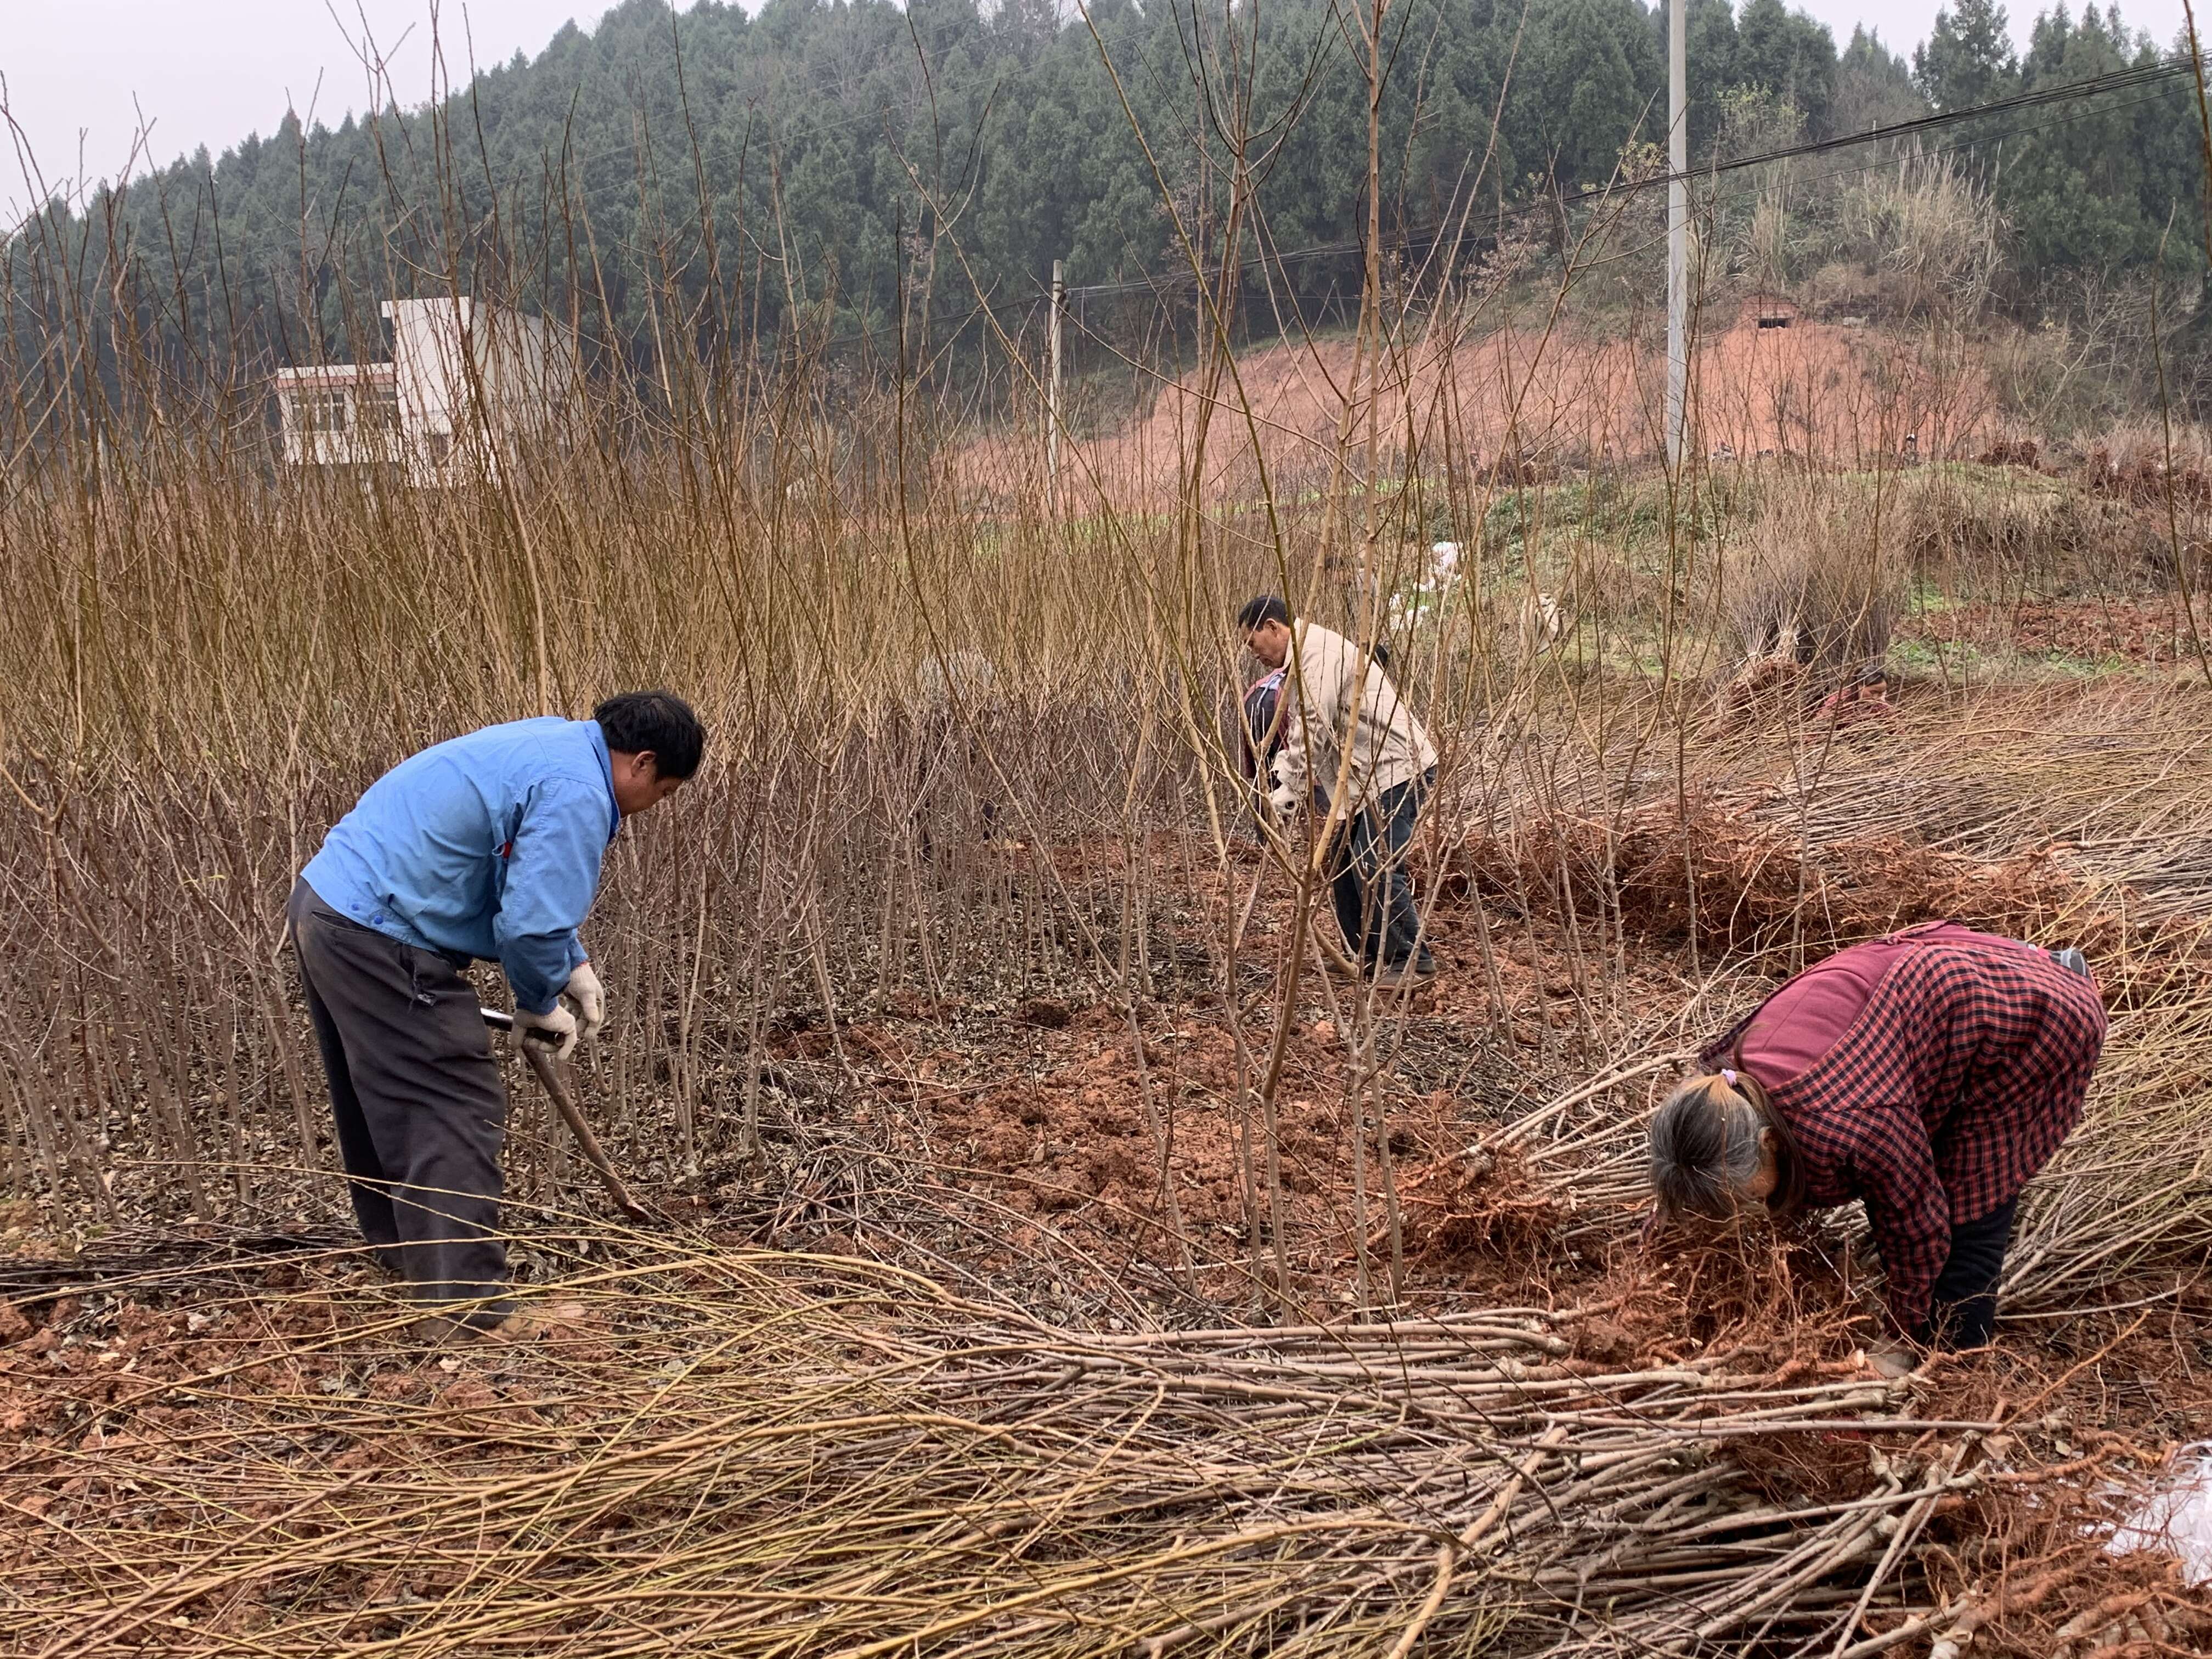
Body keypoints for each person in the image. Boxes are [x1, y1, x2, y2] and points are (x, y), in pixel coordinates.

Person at [287, 691, 706, 1336]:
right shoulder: (579, 793)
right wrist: (539, 1003)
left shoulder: (556, 743)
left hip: (330, 902)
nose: (655, 808)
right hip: (379, 929)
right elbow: (532, 924)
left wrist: (573, 962)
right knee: (450, 1100)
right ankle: (467, 1313)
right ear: (643, 764)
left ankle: (406, 1256)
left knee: (384, 1092)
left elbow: (512, 869)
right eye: (667, 792)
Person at [1647, 922, 2105, 1373]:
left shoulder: (1849, 1123)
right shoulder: (1718, 1091)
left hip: (2038, 1016)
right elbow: (1696, 1166)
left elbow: (1917, 1225)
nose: (1748, 1207)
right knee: (1916, 1163)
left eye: (1745, 1196)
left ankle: (1960, 1367)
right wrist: (1656, 1249)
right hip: (1946, 980)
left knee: (1968, 1208)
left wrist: (1900, 1333)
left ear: (1770, 1142)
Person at [1237, 596, 1437, 987]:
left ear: (1274, 628)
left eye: (1252, 643)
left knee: (1372, 860)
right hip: (1361, 777)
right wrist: (1284, 782)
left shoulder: (1317, 655)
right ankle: (1364, 955)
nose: (1253, 654)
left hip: (1395, 768)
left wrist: (1286, 793)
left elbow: (1311, 729)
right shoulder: (1299, 663)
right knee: (1342, 861)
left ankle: (1411, 961)